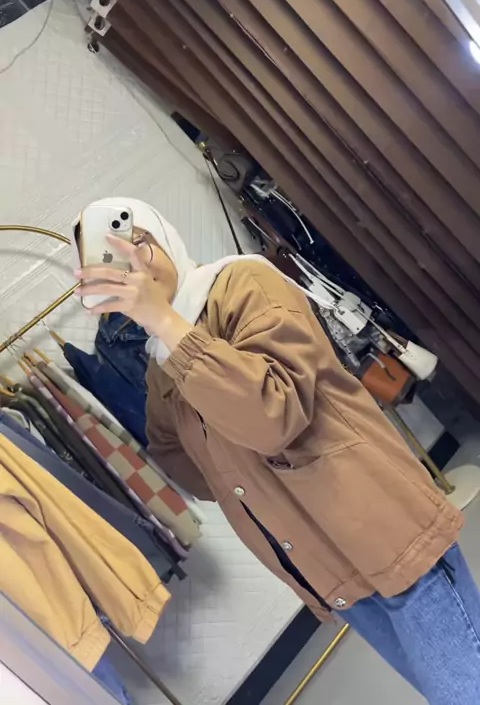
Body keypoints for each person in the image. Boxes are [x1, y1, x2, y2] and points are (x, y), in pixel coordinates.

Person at [74, 198, 480, 705]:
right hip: (322, 563)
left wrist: (167, 325)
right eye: (111, 259)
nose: (134, 265)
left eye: (139, 245)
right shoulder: (161, 363)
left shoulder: (243, 284)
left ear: (165, 237)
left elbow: (271, 418)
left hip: (380, 528)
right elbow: (196, 473)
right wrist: (172, 345)